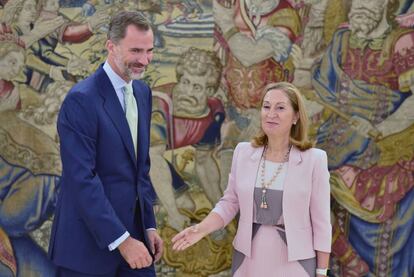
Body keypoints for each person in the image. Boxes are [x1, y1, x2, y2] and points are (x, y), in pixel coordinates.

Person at [172, 82, 332, 277]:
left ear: (296, 116)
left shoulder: (314, 159)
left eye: (280, 108)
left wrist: (322, 272)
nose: (271, 114)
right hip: (248, 259)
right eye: (266, 107)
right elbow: (229, 203)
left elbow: (322, 222)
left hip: (295, 262)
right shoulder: (243, 152)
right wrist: (200, 229)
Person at [48, 11, 163, 276]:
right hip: (87, 251)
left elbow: (140, 170)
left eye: (150, 51)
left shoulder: (143, 93)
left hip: (136, 242)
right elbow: (81, 179)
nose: (144, 60)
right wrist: (122, 240)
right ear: (110, 46)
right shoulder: (81, 100)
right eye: (136, 50)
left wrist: (149, 226)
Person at [150, 47, 224, 230]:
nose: (187, 92)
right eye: (185, 82)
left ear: (209, 92)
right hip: (124, 158)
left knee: (188, 206)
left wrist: (222, 210)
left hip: (149, 161)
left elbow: (204, 163)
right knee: (166, 212)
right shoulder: (158, 104)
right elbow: (153, 158)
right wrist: (173, 214)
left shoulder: (213, 113)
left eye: (196, 87)